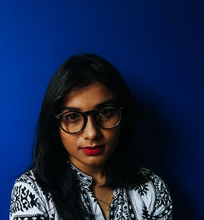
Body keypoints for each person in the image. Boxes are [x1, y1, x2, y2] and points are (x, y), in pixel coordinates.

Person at [9, 54, 173, 220]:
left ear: (123, 115)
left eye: (105, 112)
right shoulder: (32, 191)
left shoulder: (151, 187)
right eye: (73, 116)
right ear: (54, 124)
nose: (92, 133)